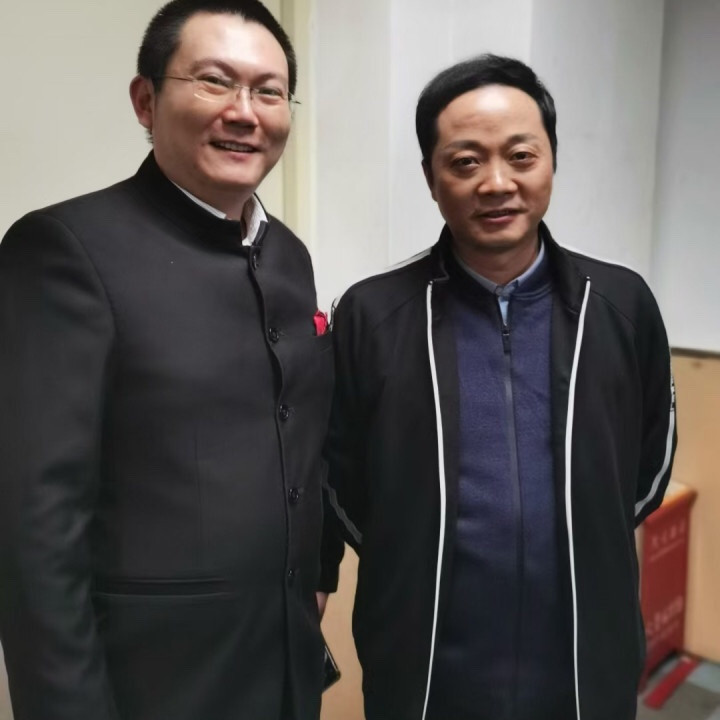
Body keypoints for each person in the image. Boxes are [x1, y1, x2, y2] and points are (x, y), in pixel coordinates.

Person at [0, 2, 333, 719]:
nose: (244, 112)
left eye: (269, 91)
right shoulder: (65, 249)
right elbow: (35, 524)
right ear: (145, 101)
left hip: (282, 671)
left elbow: (302, 438)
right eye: (214, 81)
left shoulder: (289, 256)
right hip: (151, 685)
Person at [322, 54, 677, 720]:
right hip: (426, 657)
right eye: (465, 162)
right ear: (430, 178)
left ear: (551, 162)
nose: (496, 183)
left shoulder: (619, 305)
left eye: (520, 156)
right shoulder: (373, 315)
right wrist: (413, 543)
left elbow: (647, 464)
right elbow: (340, 475)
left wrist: (578, 530)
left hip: (583, 655)